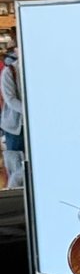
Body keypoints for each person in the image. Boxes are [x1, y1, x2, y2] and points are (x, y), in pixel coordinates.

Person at [0, 32, 24, 189]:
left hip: (34, 127)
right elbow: (10, 99)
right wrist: (32, 112)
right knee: (15, 167)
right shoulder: (10, 72)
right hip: (14, 128)